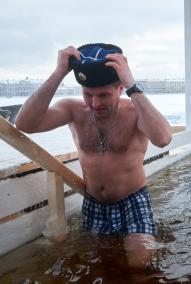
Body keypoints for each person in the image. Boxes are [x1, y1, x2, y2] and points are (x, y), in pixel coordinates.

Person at [15, 43, 172, 269]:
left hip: (133, 200)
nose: (95, 103)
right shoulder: (74, 110)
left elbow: (163, 138)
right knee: (97, 264)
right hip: (94, 204)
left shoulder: (135, 111)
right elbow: (24, 124)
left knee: (140, 265)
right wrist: (59, 72)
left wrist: (131, 84)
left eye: (104, 95)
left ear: (119, 88)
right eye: (88, 94)